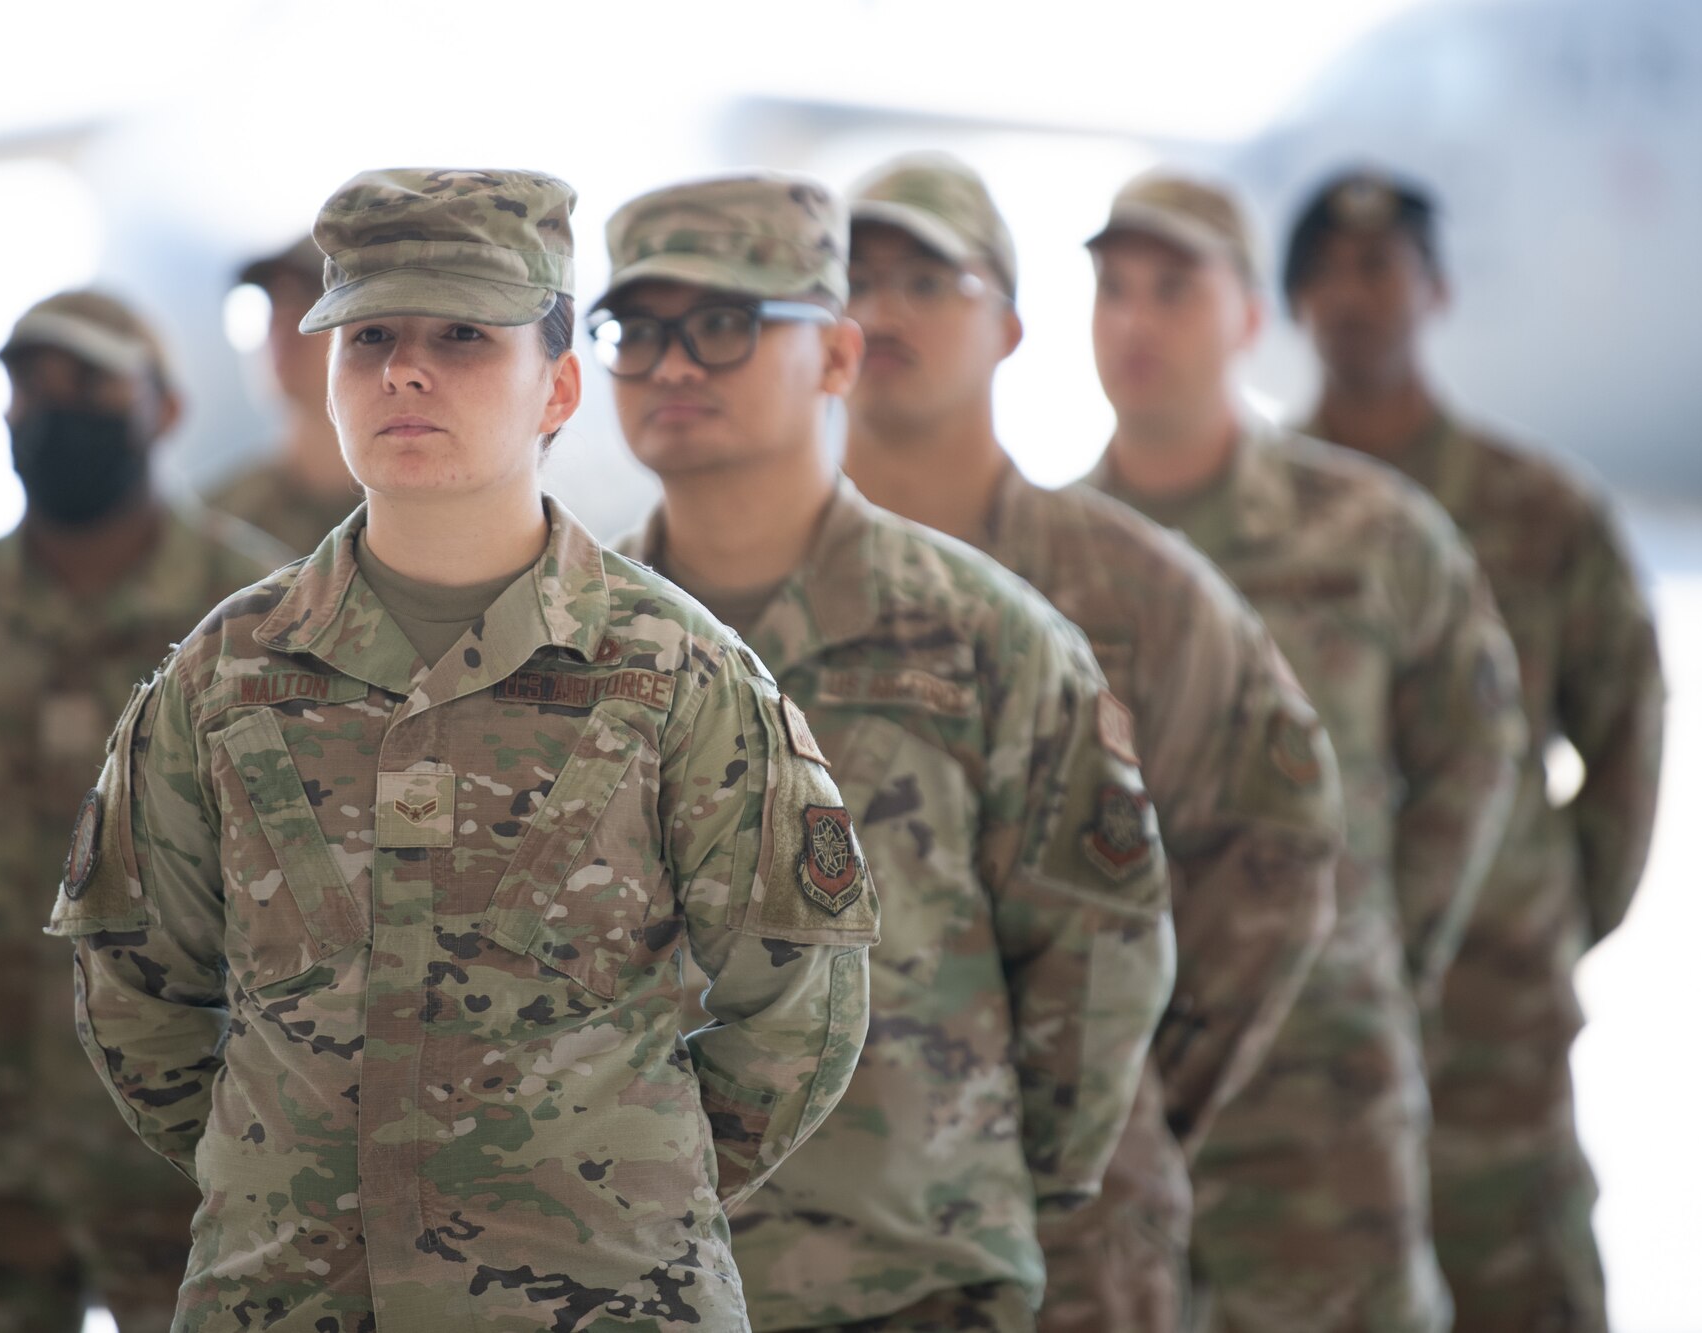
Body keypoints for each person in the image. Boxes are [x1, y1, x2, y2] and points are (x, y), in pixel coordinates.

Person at [46, 166, 879, 1332]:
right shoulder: (223, 675)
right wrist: (295, 1180)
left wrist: (614, 1193)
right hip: (287, 1300)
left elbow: (799, 1006)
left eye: (463, 336)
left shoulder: (677, 672)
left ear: (559, 387)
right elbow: (136, 988)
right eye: (369, 334)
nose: (405, 370)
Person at [600, 168, 1178, 1333]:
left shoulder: (978, 633)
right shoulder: (569, 648)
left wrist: (985, 1184)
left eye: (723, 325)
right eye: (637, 329)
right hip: (629, 1286)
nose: (670, 366)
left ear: (835, 357)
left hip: (906, 1283)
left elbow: (1100, 946)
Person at [840, 152, 1343, 1332]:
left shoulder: (1130, 587)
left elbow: (1274, 847)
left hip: (1065, 1239)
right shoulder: (739, 595)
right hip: (804, 1245)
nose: (882, 308)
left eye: (927, 277)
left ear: (1009, 327)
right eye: (853, 277)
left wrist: (1124, 1089)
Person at [1080, 169, 1526, 1332]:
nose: (1135, 321)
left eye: (1173, 289)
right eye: (1112, 290)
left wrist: (1379, 941)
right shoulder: (1051, 556)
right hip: (1116, 1099)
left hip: (1320, 1092)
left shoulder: (1367, 533)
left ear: (1243, 318)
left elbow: (1474, 752)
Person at [1285, 166, 1665, 1333]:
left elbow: (1625, 733)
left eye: (1380, 267)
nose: (1355, 296)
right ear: (1291, 304)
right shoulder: (1259, 514)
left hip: (1492, 1018)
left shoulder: (1537, 510)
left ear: (1434, 291)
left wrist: (1545, 912)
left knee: (1516, 1280)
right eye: (1327, 273)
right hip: (1304, 1021)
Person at [0, 290, 279, 1333]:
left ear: (165, 408)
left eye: (89, 383)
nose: (52, 409)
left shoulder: (261, 625)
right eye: (28, 386)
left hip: (200, 1166)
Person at [205, 236, 364, 559]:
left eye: (313, 297)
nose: (283, 319)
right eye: (273, 299)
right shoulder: (221, 520)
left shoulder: (414, 506)